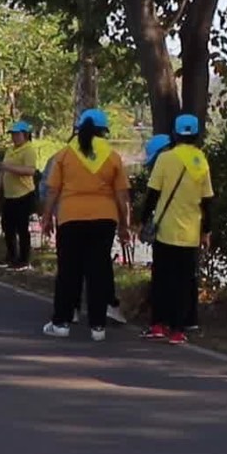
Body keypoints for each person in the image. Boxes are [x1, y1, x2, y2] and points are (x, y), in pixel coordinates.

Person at [42, 109, 131, 341]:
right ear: (104, 132)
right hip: (104, 220)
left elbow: (53, 190)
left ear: (79, 129)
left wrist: (46, 217)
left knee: (68, 271)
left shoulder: (64, 155)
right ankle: (98, 327)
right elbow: (122, 196)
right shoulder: (113, 156)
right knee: (98, 271)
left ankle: (61, 322)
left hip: (71, 218)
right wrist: (125, 224)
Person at [139, 114, 215, 345]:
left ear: (175, 133)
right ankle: (179, 330)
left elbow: (152, 195)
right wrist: (206, 231)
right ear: (195, 134)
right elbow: (208, 201)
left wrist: (142, 220)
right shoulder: (201, 161)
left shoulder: (165, 159)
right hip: (190, 233)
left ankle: (158, 325)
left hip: (166, 231)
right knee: (184, 282)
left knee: (162, 279)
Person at [0, 121, 38, 270]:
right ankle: (11, 256)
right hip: (10, 194)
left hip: (24, 194)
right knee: (7, 226)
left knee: (22, 227)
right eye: (12, 134)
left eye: (17, 134)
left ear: (25, 135)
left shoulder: (29, 150)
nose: (14, 137)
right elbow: (3, 171)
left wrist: (9, 167)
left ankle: (24, 259)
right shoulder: (10, 150)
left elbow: (30, 171)